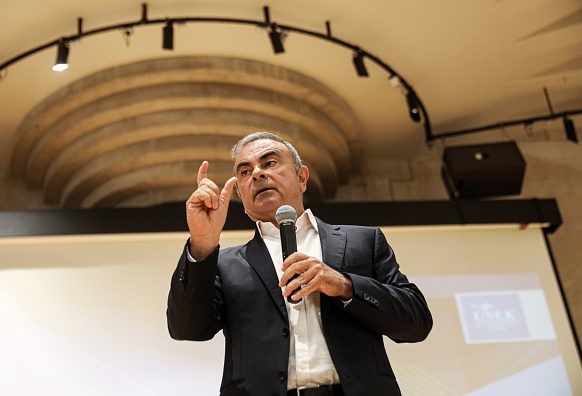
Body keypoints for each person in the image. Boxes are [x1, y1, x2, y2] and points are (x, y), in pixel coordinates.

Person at [167, 132, 433, 396]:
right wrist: (202, 242)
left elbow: (416, 322)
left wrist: (344, 285)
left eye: (269, 163)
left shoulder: (362, 240)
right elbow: (186, 329)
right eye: (245, 172)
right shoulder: (225, 264)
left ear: (302, 177)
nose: (257, 174)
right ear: (241, 194)